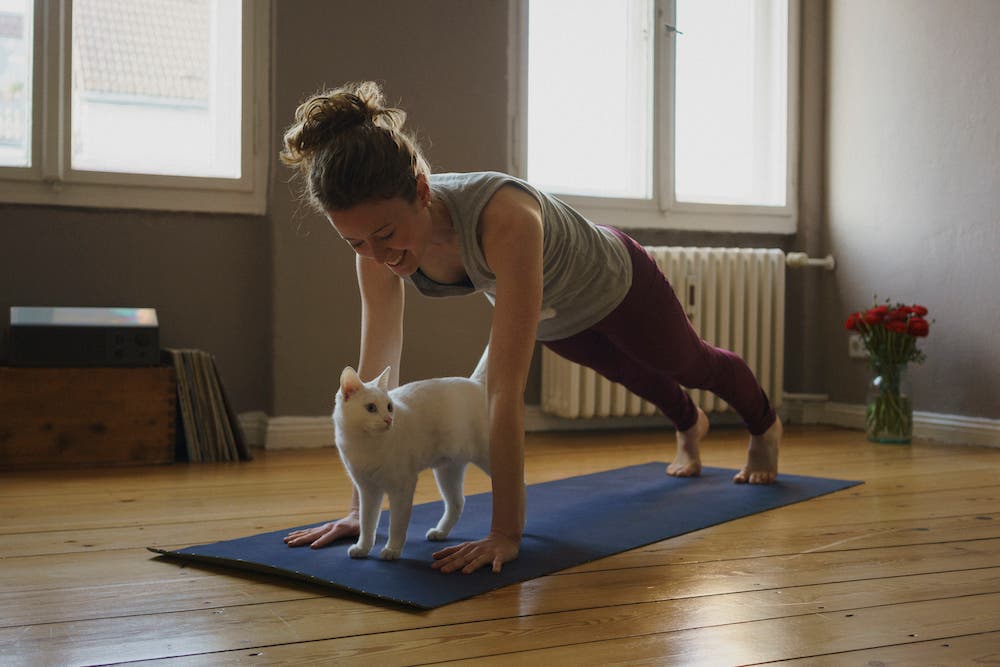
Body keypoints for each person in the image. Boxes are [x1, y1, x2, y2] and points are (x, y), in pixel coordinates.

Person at [279, 81, 782, 575]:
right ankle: (690, 424)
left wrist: (505, 531)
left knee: (686, 363)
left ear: (422, 190)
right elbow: (372, 372)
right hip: (554, 311)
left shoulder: (505, 217)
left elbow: (503, 392)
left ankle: (763, 425)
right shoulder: (375, 247)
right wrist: (356, 509)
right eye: (356, 243)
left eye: (386, 235)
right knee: (631, 374)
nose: (378, 254)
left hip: (617, 282)